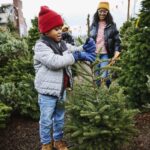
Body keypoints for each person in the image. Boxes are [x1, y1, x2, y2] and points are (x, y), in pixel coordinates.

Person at [33, 6, 96, 150]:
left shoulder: (61, 43)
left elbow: (72, 50)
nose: (60, 31)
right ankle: (46, 143)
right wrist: (76, 57)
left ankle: (58, 141)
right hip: (47, 93)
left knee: (60, 118)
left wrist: (83, 48)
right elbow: (55, 62)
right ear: (46, 30)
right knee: (46, 120)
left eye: (60, 28)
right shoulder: (41, 46)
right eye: (56, 29)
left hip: (61, 90)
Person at [90, 1, 121, 87]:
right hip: (95, 54)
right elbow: (90, 39)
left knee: (104, 76)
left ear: (108, 13)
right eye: (100, 11)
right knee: (96, 77)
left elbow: (117, 41)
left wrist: (116, 54)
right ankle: (98, 96)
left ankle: (107, 90)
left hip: (105, 54)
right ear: (97, 12)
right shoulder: (93, 25)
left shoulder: (112, 25)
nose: (102, 13)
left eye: (105, 11)